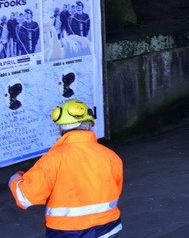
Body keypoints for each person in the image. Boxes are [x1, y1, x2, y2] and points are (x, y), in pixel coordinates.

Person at [9, 99, 123, 238]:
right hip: (108, 229)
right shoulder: (110, 156)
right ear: (89, 126)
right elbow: (114, 190)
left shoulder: (53, 159)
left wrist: (16, 178)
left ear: (61, 129)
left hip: (67, 232)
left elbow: (25, 197)